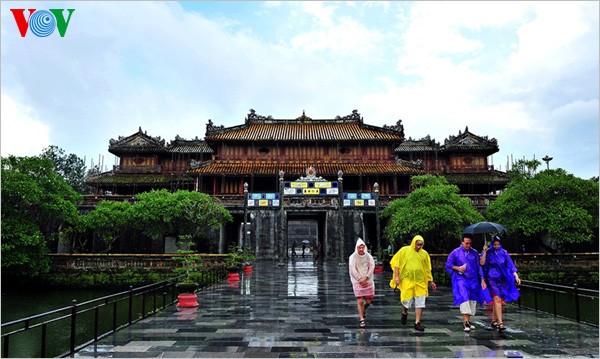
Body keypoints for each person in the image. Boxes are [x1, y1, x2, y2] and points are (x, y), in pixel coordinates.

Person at [389, 235, 437, 332]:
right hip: (407, 280)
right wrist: (397, 276)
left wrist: (431, 280)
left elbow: (427, 268)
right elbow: (396, 263)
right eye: (417, 244)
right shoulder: (404, 250)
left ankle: (417, 322)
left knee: (420, 301)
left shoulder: (424, 254)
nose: (418, 246)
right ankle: (404, 312)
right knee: (406, 300)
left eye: (421, 245)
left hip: (420, 281)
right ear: (413, 242)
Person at [445, 233, 491, 332]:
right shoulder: (455, 252)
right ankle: (465, 321)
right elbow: (449, 264)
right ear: (462, 242)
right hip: (460, 279)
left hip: (473, 279)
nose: (468, 245)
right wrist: (458, 268)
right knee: (464, 298)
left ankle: (468, 320)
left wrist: (482, 279)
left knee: (472, 299)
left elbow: (479, 266)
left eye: (470, 243)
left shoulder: (474, 253)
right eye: (466, 243)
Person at [480, 236, 521, 331]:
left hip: (502, 278)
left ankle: (494, 320)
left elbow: (510, 265)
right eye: (494, 244)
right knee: (497, 298)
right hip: (491, 278)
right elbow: (482, 263)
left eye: (498, 244)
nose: (496, 246)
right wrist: (485, 251)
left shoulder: (504, 253)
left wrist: (516, 276)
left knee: (498, 299)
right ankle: (500, 323)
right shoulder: (488, 252)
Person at [348, 238, 375, 328]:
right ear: (357, 248)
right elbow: (352, 268)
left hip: (368, 279)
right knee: (359, 300)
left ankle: (363, 310)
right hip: (357, 280)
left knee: (368, 301)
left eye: (362, 247)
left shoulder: (368, 256)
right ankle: (361, 319)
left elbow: (372, 266)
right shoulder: (352, 257)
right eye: (359, 247)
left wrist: (366, 277)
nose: (361, 249)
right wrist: (359, 279)